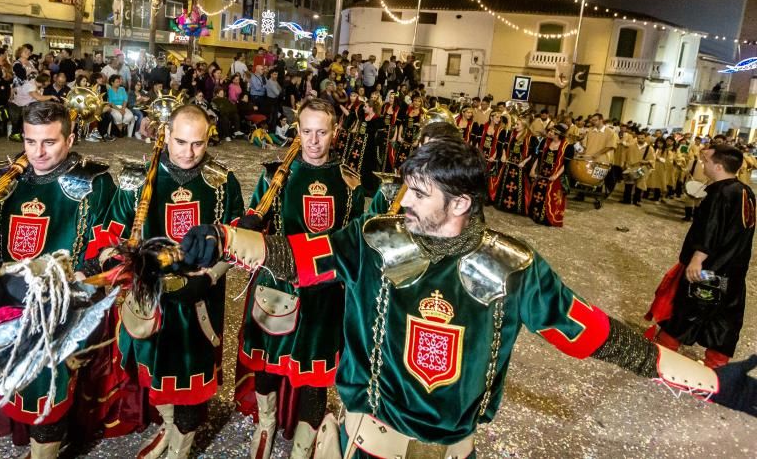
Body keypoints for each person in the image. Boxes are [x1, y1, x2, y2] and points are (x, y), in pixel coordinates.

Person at [178, 139, 757, 458]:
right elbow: (296, 256)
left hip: (452, 453)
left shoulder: (514, 268)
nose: (404, 200)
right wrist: (225, 238)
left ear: (460, 204)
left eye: (420, 192)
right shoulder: (372, 240)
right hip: (364, 440)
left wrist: (708, 380)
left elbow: (594, 335)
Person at [0, 101, 116, 459]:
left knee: (49, 387)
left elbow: (107, 242)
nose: (38, 152)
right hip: (9, 303)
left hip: (61, 306)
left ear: (70, 138)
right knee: (17, 382)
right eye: (30, 141)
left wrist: (86, 277)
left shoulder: (94, 181)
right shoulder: (2, 180)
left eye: (49, 142)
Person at [103, 105, 244, 459]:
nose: (188, 152)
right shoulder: (138, 178)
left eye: (198, 143)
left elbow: (238, 243)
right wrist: (122, 262)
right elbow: (111, 236)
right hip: (151, 301)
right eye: (180, 141)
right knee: (156, 372)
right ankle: (170, 430)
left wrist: (210, 275)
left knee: (192, 381)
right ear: (165, 134)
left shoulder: (222, 181)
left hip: (200, 302)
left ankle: (181, 450)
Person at [237, 97, 364, 459]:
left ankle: (303, 446)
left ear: (334, 133)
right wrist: (249, 226)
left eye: (321, 132)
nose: (313, 140)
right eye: (306, 131)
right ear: (297, 131)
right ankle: (266, 425)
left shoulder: (350, 183)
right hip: (277, 287)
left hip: (325, 294)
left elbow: (355, 240)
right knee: (267, 365)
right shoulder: (276, 175)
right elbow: (255, 218)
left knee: (313, 377)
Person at [646, 144, 756, 370]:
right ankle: (716, 363)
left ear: (718, 166)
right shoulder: (746, 192)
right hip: (733, 269)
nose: (703, 164)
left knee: (688, 307)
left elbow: (711, 228)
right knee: (725, 316)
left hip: (708, 268)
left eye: (707, 161)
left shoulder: (721, 193)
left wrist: (697, 258)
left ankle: (664, 351)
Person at [527, 123, 573, 226]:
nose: (549, 133)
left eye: (552, 132)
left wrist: (556, 176)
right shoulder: (544, 142)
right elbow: (538, 158)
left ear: (557, 134)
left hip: (555, 175)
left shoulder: (568, 147)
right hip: (543, 173)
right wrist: (533, 170)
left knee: (550, 196)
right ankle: (535, 215)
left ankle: (546, 218)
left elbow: (565, 165)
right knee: (538, 192)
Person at [577, 113, 618, 195]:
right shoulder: (590, 131)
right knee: (585, 175)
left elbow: (610, 146)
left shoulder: (610, 132)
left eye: (595, 120)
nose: (593, 122)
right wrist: (581, 151)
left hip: (601, 158)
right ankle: (581, 195)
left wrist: (598, 153)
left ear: (601, 120)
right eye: (592, 120)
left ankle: (596, 195)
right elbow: (585, 144)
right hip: (588, 157)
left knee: (598, 179)